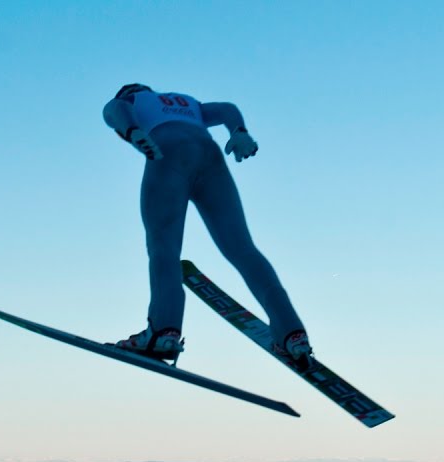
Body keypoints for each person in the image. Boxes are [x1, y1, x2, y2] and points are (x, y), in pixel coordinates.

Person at [103, 83, 311, 368]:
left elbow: (114, 109)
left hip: (167, 152)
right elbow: (226, 109)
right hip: (210, 156)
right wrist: (239, 132)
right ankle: (291, 333)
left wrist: (132, 130)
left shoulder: (134, 99)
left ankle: (164, 330)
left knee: (164, 248)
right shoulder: (186, 103)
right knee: (243, 250)